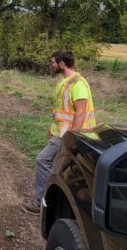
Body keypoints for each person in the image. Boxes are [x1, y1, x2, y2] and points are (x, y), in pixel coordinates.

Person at [22, 50, 97, 214]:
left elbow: (81, 112)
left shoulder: (78, 83)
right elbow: (63, 111)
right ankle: (58, 204)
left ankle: (41, 204)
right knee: (61, 168)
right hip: (60, 133)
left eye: (53, 62)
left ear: (62, 63)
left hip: (69, 136)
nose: (52, 65)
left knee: (43, 161)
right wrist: (52, 126)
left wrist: (73, 138)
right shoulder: (66, 82)